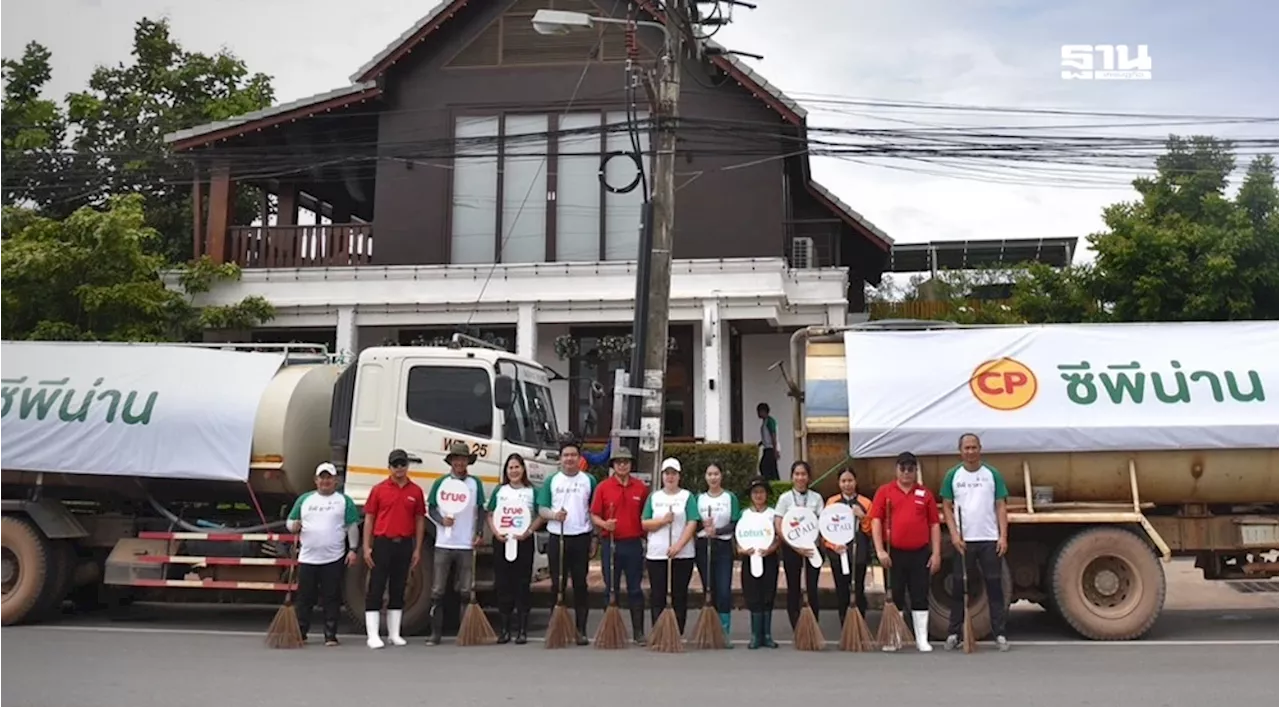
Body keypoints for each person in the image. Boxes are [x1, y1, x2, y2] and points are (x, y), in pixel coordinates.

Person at [940, 432, 1011, 652]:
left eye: (973, 447)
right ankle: (954, 633)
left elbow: (1000, 506)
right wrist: (954, 535)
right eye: (966, 448)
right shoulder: (953, 475)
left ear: (980, 448)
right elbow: (947, 507)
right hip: (964, 542)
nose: (970, 452)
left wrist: (1003, 536)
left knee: (994, 587)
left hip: (989, 539)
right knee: (960, 587)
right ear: (960, 451)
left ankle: (999, 633)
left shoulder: (992, 474)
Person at [869, 451, 942, 652]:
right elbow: (875, 521)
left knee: (920, 596)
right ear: (896, 469)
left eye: (911, 469)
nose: (906, 472)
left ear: (915, 471)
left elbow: (934, 524)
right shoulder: (885, 492)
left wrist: (936, 553)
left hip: (919, 553)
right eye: (903, 468)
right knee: (895, 596)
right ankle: (894, 638)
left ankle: (921, 639)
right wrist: (880, 550)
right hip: (894, 554)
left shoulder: (925, 493)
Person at [285, 462, 360, 646]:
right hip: (308, 557)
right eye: (322, 477)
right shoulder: (305, 500)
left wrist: (353, 549)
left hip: (333, 557)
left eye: (329, 478)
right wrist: (293, 526)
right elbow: (291, 521)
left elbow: (352, 526)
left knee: (331, 596)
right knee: (305, 597)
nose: (325, 481)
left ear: (335, 480)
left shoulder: (344, 501)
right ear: (316, 480)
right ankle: (301, 632)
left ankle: (330, 634)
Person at [361, 448, 427, 649]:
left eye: (402, 464)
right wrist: (366, 547)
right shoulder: (379, 489)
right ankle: (372, 635)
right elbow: (369, 519)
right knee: (377, 587)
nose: (399, 468)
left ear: (407, 466)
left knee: (399, 587)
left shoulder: (415, 491)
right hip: (383, 543)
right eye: (395, 465)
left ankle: (394, 633)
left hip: (404, 543)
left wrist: (417, 549)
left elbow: (419, 520)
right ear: (389, 467)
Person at [536, 435, 598, 645]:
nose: (569, 459)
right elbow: (542, 508)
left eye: (573, 455)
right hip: (558, 536)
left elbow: (594, 511)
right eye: (566, 455)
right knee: (557, 584)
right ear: (560, 459)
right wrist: (554, 515)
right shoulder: (552, 480)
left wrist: (594, 537)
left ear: (579, 458)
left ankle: (580, 629)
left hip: (581, 536)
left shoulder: (588, 480)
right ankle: (557, 627)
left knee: (580, 584)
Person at [423, 441, 487, 645]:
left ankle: (464, 631)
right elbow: (431, 508)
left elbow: (481, 510)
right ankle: (435, 633)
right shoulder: (441, 482)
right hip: (443, 542)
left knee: (466, 590)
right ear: (451, 461)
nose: (460, 462)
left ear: (468, 461)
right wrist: (441, 521)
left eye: (463, 459)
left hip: (466, 544)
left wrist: (478, 533)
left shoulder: (475, 483)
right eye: (456, 459)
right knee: (437, 590)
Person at [590, 446, 649, 645]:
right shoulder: (603, 487)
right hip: (611, 543)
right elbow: (594, 515)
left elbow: (645, 515)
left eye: (626, 462)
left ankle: (639, 632)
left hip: (633, 544)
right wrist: (604, 524)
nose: (622, 465)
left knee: (635, 589)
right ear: (613, 465)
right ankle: (611, 630)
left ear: (631, 465)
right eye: (618, 462)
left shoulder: (640, 487)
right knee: (611, 588)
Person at [640, 458, 701, 635]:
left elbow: (692, 522)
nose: (670, 477)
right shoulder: (654, 497)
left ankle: (677, 632)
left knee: (679, 595)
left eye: (674, 473)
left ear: (679, 476)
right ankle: (659, 631)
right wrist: (662, 521)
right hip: (657, 554)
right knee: (658, 595)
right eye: (667, 473)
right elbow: (645, 523)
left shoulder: (687, 497)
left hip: (682, 555)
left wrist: (678, 546)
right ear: (662, 476)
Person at [488, 453, 544, 644]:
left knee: (522, 585)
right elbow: (490, 514)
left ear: (523, 469)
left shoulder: (531, 491)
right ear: (506, 471)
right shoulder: (500, 490)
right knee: (503, 585)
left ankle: (522, 629)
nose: (514, 471)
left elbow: (541, 515)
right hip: (502, 542)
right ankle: (504, 630)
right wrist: (496, 533)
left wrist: (528, 531)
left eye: (517, 467)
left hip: (524, 542)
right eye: (510, 468)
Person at [774, 460, 824, 630]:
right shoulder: (785, 498)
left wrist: (811, 544)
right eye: (797, 474)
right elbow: (779, 524)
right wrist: (794, 545)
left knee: (812, 587)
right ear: (792, 477)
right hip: (791, 549)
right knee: (793, 587)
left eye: (803, 474)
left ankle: (813, 626)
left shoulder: (816, 498)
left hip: (812, 549)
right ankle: (796, 626)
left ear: (808, 477)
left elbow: (822, 523)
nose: (800, 477)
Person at [694, 461, 740, 644]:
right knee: (708, 588)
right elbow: (692, 522)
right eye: (709, 474)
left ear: (721, 476)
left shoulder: (730, 498)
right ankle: (710, 630)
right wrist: (702, 525)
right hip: (703, 545)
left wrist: (719, 531)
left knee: (723, 590)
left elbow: (735, 522)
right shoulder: (699, 499)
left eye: (716, 474)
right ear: (705, 477)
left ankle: (724, 633)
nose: (713, 477)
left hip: (722, 546)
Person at [823, 467, 873, 623]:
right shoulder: (832, 502)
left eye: (850, 480)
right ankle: (844, 623)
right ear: (839, 483)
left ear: (855, 481)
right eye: (843, 481)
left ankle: (860, 622)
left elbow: (871, 529)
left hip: (859, 551)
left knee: (858, 589)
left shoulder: (865, 502)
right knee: (842, 590)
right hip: (838, 553)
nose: (847, 484)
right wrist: (833, 545)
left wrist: (863, 517)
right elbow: (825, 528)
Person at [736, 476, 781, 649]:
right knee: (752, 595)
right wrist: (741, 550)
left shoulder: (773, 514)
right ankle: (755, 635)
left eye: (761, 492)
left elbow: (779, 536)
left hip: (768, 558)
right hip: (750, 558)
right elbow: (738, 536)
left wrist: (772, 548)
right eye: (755, 492)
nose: (758, 495)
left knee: (768, 594)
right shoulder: (744, 514)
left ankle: (767, 635)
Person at [756, 402, 780, 481]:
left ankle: (771, 481)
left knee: (766, 467)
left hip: (771, 448)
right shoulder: (765, 422)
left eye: (759, 411)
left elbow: (773, 435)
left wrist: (775, 450)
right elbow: (766, 437)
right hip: (767, 448)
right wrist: (761, 443)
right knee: (769, 467)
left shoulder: (770, 421)